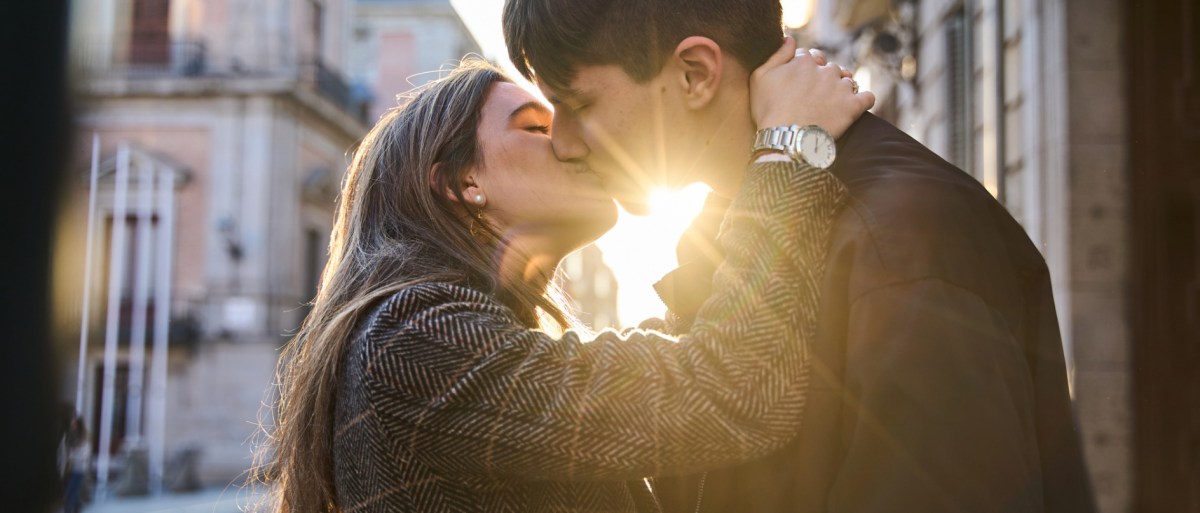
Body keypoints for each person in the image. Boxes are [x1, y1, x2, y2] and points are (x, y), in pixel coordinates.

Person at [502, 0, 1097, 513]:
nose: (561, 142)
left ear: (695, 72)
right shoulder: (729, 231)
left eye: (578, 102)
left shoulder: (904, 239)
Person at [261, 50, 871, 512]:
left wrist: (739, 175)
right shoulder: (413, 337)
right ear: (459, 182)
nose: (572, 141)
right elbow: (728, 389)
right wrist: (790, 145)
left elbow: (688, 357)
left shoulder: (443, 334)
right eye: (536, 126)